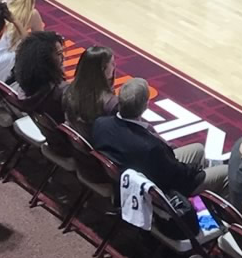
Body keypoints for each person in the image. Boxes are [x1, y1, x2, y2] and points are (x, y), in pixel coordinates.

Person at [91, 78, 225, 191]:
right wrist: (195, 170)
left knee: (198, 150)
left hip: (130, 173)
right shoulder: (150, 147)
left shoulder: (100, 124)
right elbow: (178, 175)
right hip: (161, 188)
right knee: (226, 173)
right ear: (145, 107)